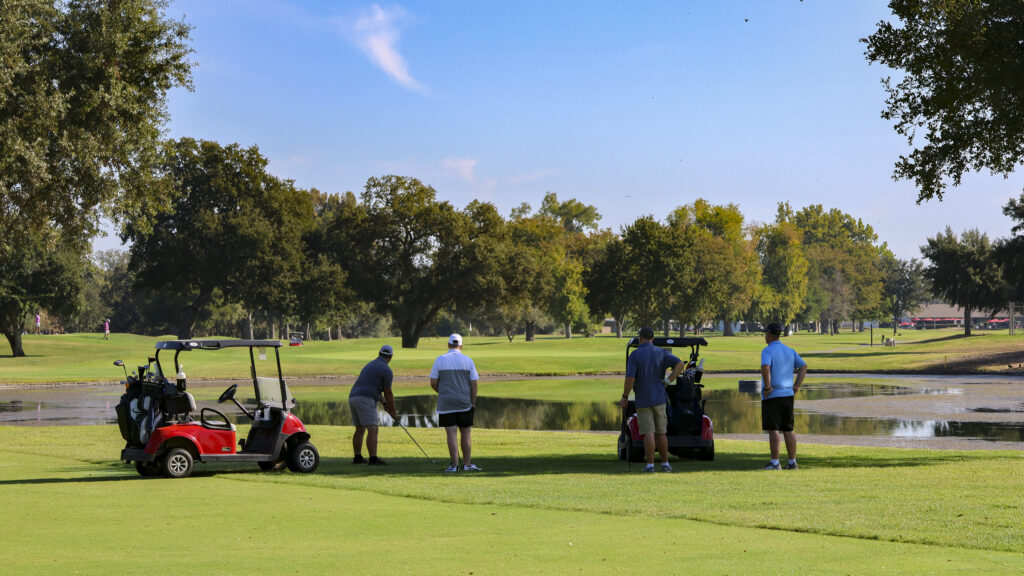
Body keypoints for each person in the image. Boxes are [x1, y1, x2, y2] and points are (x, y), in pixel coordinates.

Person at [619, 326, 685, 473]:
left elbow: (630, 378)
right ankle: (665, 464)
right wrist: (668, 381)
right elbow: (680, 365)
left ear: (640, 338)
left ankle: (650, 465)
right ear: (653, 339)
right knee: (661, 433)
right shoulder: (661, 352)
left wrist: (624, 396)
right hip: (660, 398)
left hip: (643, 399)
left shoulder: (635, 355)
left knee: (648, 432)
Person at [760, 322, 807, 470]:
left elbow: (766, 367)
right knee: (788, 428)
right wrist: (796, 386)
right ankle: (792, 462)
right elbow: (803, 366)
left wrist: (767, 387)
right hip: (788, 394)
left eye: (765, 334)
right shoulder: (789, 350)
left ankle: (775, 463)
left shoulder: (767, 351)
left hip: (773, 395)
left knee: (773, 428)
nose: (765, 336)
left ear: (769, 334)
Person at [430, 333, 480, 472]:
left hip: (446, 403)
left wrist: (443, 392)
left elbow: (433, 382)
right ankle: (467, 465)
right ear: (461, 346)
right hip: (465, 402)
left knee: (451, 433)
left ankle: (454, 465)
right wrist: (473, 402)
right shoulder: (468, 360)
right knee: (466, 433)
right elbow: (474, 384)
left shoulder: (440, 360)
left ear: (448, 345)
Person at [348, 345, 399, 465]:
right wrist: (393, 411)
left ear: (379, 354)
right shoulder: (387, 370)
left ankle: (357, 457)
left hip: (353, 397)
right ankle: (373, 459)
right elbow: (388, 393)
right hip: (365, 399)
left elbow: (376, 389)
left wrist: (384, 403)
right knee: (373, 429)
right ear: (391, 357)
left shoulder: (370, 365)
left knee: (360, 429)